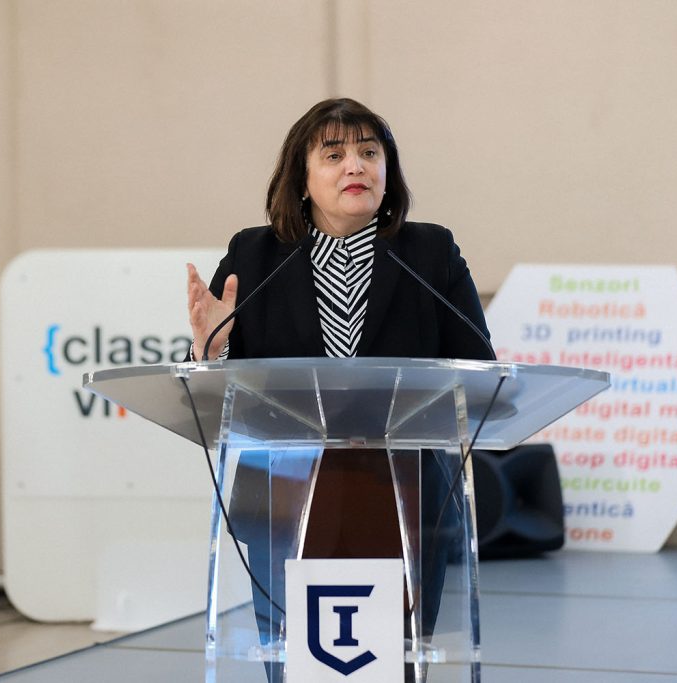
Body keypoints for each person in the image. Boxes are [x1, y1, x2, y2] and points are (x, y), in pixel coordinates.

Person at [184, 98, 492, 681]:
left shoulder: (429, 253)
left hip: (409, 501)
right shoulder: (256, 255)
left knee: (395, 665)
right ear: (301, 178)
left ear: (387, 171)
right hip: (283, 497)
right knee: (297, 662)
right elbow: (210, 390)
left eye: (369, 153)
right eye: (333, 154)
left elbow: (479, 372)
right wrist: (211, 349)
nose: (356, 166)